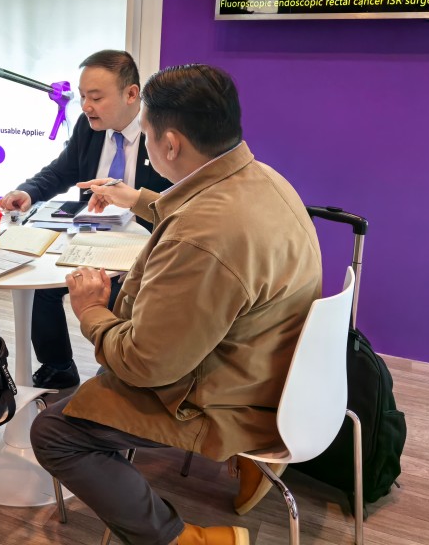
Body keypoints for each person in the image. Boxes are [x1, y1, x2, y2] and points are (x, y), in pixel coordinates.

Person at [30, 64, 322, 545]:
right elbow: (201, 207)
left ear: (169, 144)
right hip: (274, 367)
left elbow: (146, 365)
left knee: (54, 432)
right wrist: (139, 199)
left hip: (230, 396)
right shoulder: (262, 178)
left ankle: (182, 539)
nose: (144, 144)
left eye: (146, 134)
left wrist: (92, 312)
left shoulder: (202, 238)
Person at [0, 50, 171, 389]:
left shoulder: (160, 133)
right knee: (40, 286)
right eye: (82, 97)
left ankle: (119, 372)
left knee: (123, 297)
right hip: (90, 237)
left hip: (143, 249)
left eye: (96, 97)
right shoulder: (88, 129)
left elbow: (175, 202)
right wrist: (28, 192)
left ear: (131, 94)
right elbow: (61, 171)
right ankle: (58, 366)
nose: (87, 106)